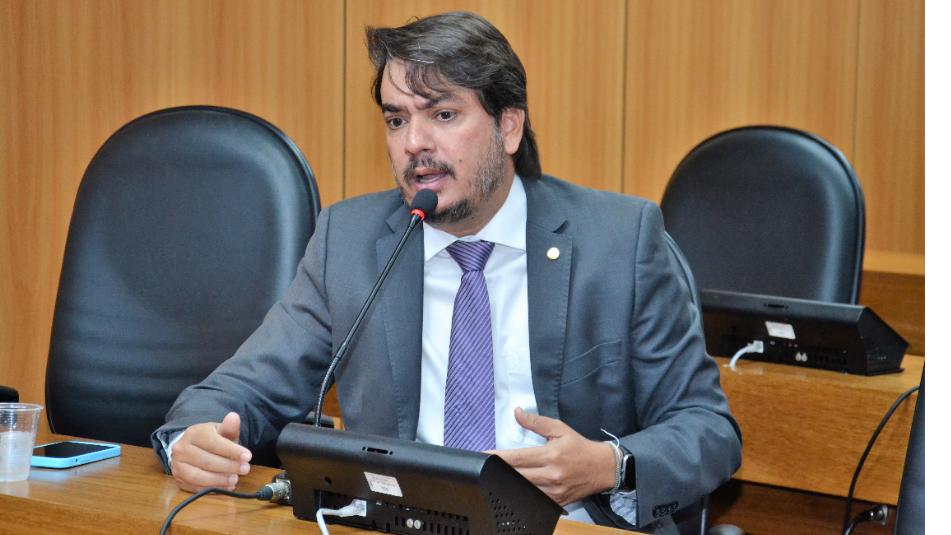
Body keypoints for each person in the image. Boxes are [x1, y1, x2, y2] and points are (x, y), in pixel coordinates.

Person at [151, 11, 741, 533]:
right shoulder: (349, 242)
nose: (415, 143)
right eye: (396, 120)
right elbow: (235, 393)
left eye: (443, 113)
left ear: (509, 126)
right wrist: (193, 440)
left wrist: (607, 466)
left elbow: (708, 429)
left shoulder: (618, 241)